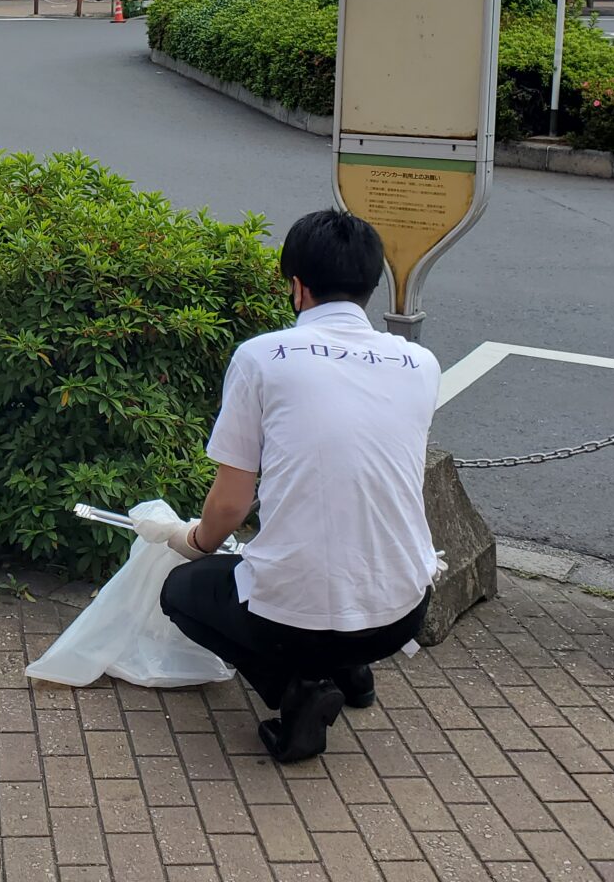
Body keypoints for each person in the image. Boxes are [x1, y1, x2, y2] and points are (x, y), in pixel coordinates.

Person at [150, 210, 439, 764]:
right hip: (403, 610)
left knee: (183, 592)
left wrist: (193, 542)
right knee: (340, 573)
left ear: (297, 287)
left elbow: (230, 505)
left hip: (299, 618)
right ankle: (353, 675)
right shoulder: (421, 363)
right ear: (370, 285)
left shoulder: (262, 357)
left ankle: (298, 695)